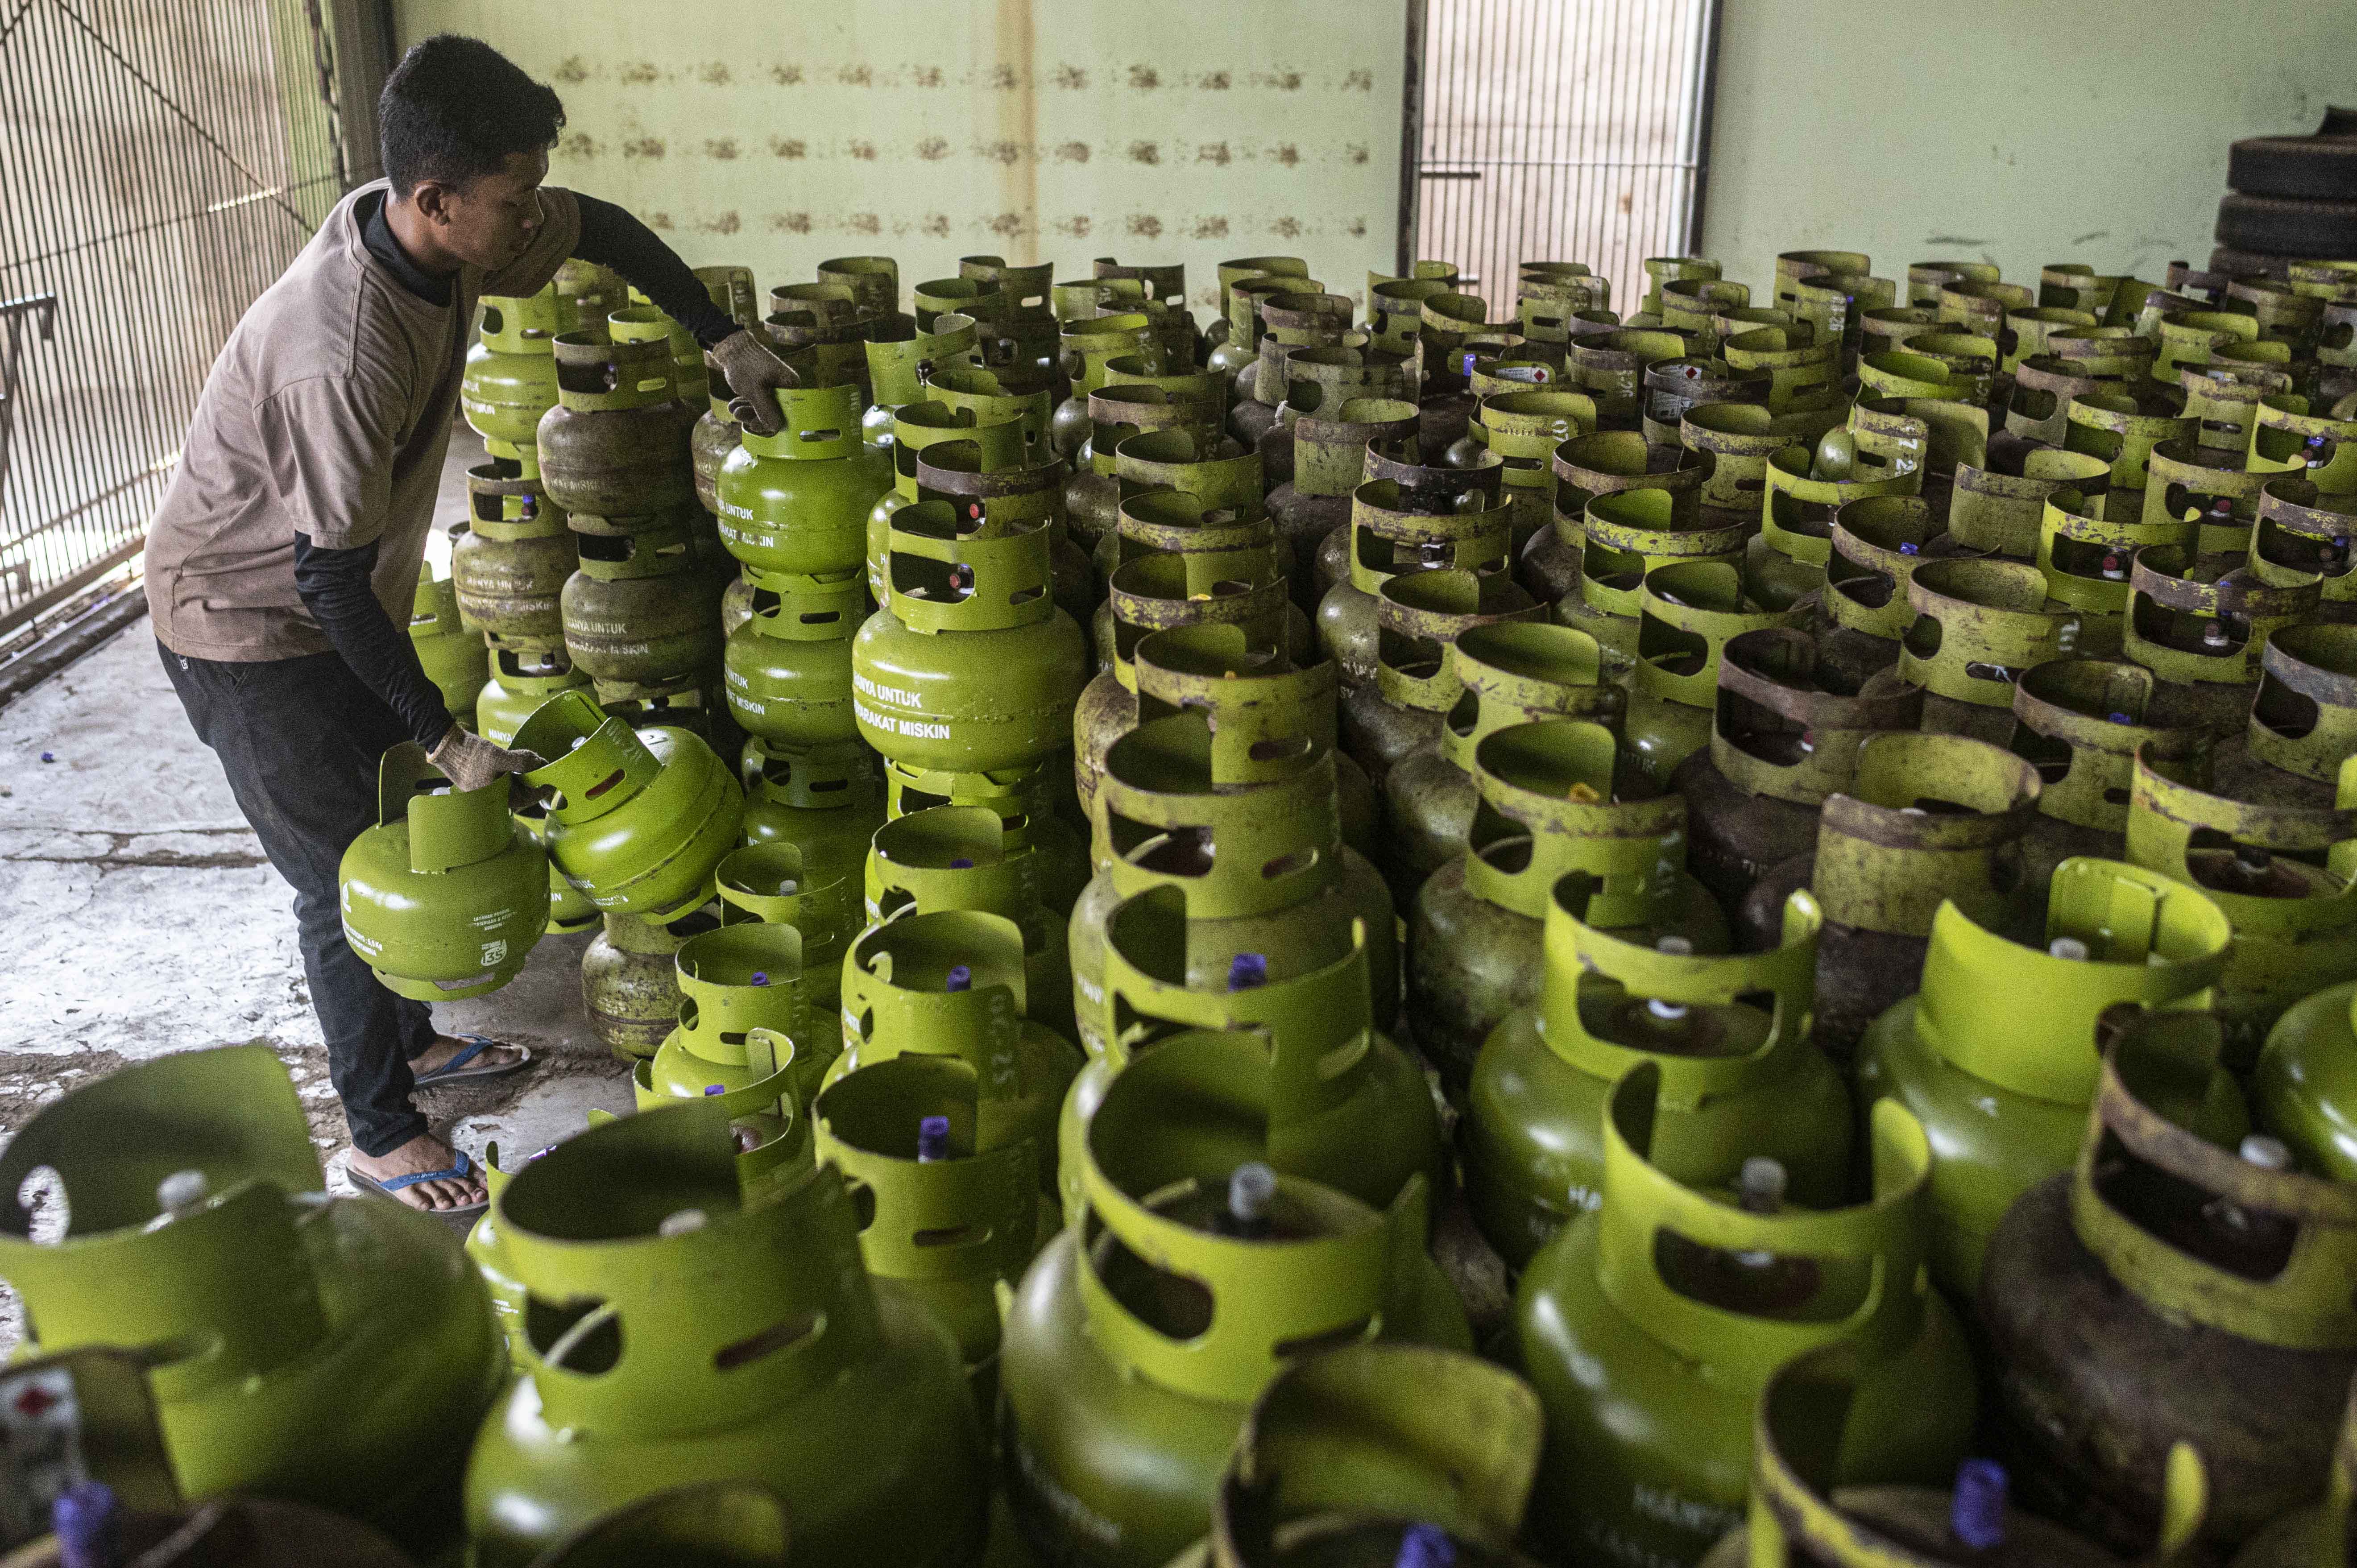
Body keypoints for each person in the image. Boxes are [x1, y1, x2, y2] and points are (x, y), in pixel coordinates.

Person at [143, 35, 797, 1217]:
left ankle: (418, 1046)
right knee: (344, 873)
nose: (530, 214)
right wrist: (447, 734)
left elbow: (599, 228)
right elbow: (325, 581)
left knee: (392, 811)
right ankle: (380, 1132)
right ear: (437, 200)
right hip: (241, 622)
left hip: (333, 602)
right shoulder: (336, 353)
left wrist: (718, 331)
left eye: (528, 187)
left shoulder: (431, 236)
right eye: (514, 198)